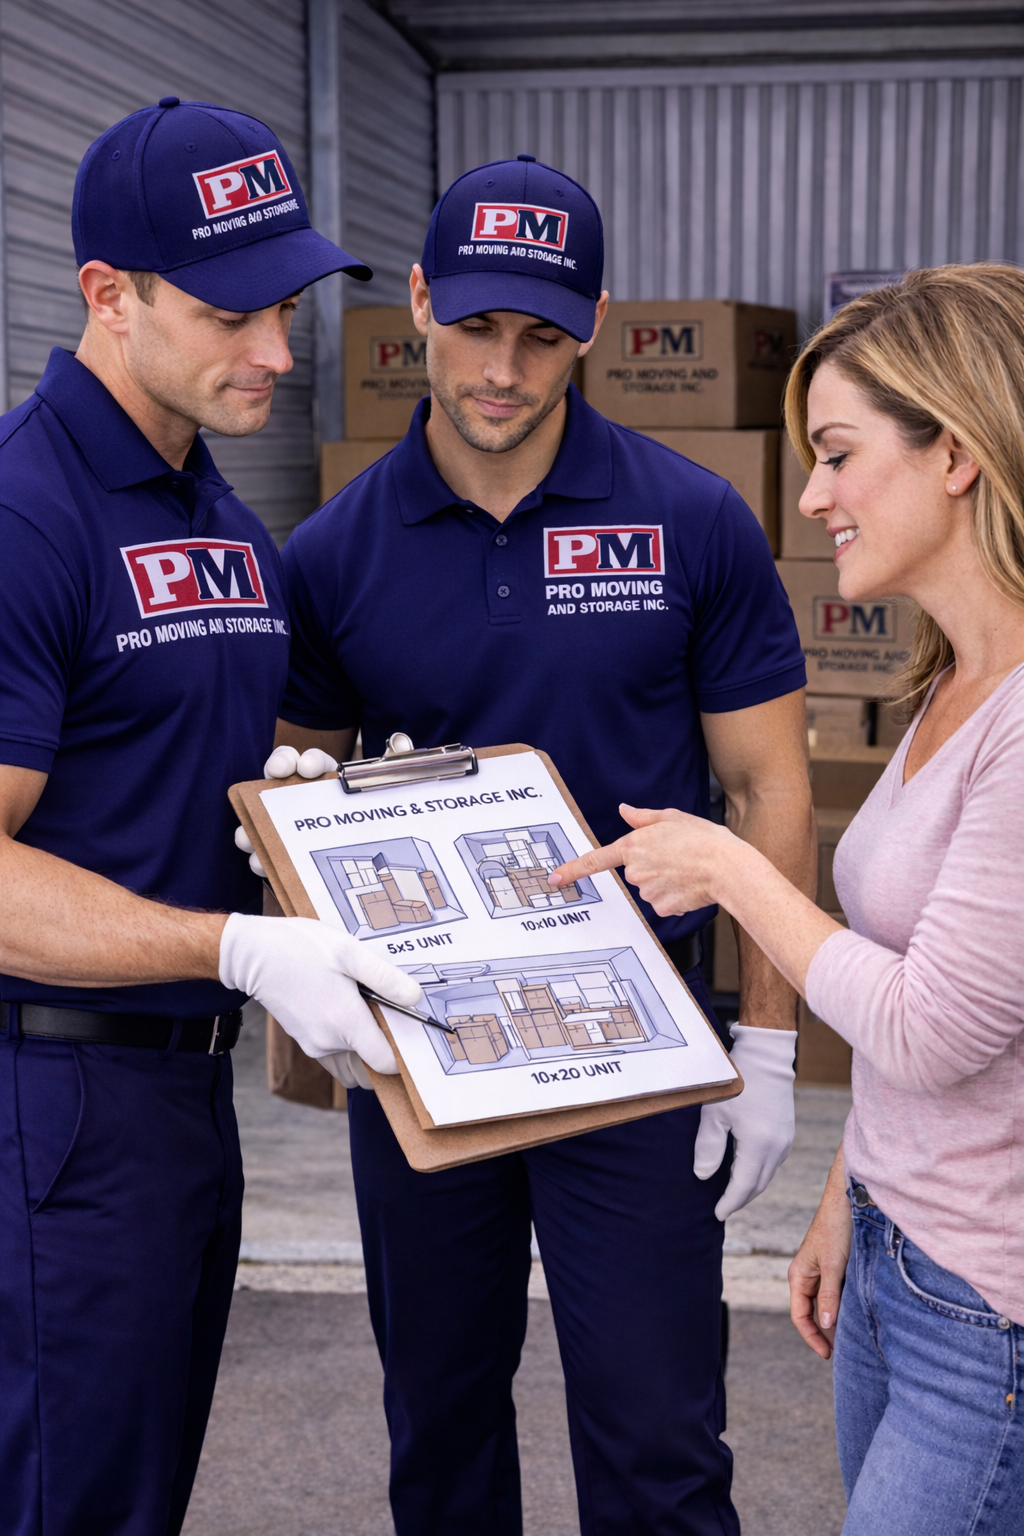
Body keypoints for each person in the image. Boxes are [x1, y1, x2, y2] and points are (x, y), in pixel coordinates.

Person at [269, 155, 816, 1536]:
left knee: (659, 1440)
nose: (503, 369)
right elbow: (304, 791)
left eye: (542, 334)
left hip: (639, 1053)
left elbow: (768, 792)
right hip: (425, 1046)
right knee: (441, 1425)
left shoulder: (690, 521)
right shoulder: (333, 554)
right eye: (474, 327)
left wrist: (765, 1047)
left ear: (598, 324)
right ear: (417, 304)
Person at [0, 99, 418, 1536]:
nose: (279, 352)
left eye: (285, 304)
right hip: (50, 1108)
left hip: (184, 1099)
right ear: (107, 297)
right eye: (233, 311)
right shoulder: (28, 513)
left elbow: (166, 781)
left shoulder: (222, 521)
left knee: (138, 1494)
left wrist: (304, 828)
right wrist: (235, 947)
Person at [551, 265, 1024, 1536]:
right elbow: (910, 990)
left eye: (836, 454)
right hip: (898, 1259)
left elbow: (934, 1026)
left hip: (992, 1313)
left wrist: (730, 873)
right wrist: (848, 1195)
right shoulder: (952, 681)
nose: (810, 495)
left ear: (959, 456)